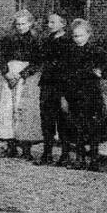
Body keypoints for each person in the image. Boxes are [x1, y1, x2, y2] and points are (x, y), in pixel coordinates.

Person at [63, 18, 107, 171]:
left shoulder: (96, 51)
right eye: (75, 36)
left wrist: (101, 72)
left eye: (80, 35)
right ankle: (79, 158)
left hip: (91, 94)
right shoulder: (70, 52)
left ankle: (94, 159)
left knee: (94, 127)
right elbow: (64, 74)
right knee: (77, 127)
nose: (77, 39)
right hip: (75, 94)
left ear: (88, 34)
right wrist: (64, 95)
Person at [0, 9, 42, 160]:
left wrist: (22, 75)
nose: (20, 27)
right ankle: (10, 145)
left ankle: (26, 148)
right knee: (7, 108)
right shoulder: (8, 40)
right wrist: (6, 73)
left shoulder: (36, 41)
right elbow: (2, 57)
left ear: (30, 24)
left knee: (24, 110)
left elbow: (37, 62)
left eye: (24, 24)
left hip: (26, 78)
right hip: (10, 76)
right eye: (18, 24)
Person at [34, 13, 74, 166]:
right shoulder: (48, 40)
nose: (49, 25)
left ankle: (65, 154)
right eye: (48, 22)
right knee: (46, 119)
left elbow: (69, 66)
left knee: (63, 119)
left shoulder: (68, 42)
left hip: (62, 85)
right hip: (47, 83)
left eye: (52, 22)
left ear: (63, 24)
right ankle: (47, 152)